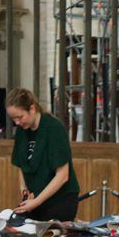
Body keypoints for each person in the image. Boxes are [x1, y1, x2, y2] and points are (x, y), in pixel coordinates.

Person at [7, 87, 80, 222]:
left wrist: (36, 202)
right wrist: (24, 189)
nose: (17, 122)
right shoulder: (22, 130)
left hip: (59, 200)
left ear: (32, 109)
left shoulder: (54, 128)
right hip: (35, 199)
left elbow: (63, 175)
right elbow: (21, 165)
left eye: (19, 117)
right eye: (13, 119)